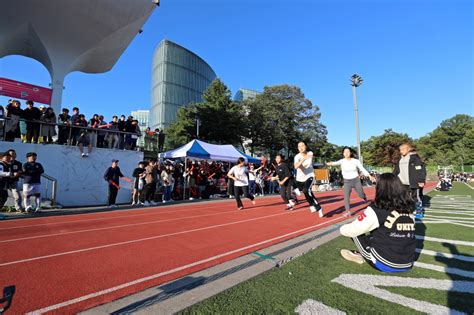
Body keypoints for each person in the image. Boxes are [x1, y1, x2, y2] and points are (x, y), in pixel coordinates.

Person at [339, 173, 416, 273]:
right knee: (388, 231)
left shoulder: (377, 209)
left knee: (354, 229)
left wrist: (342, 228)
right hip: (408, 262)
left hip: (384, 263)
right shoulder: (410, 208)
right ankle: (369, 249)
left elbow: (353, 230)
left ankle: (362, 254)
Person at [326, 146, 375, 217]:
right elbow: (334, 163)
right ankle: (348, 211)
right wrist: (327, 163)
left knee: (361, 194)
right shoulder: (342, 161)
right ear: (343, 153)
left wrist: (369, 176)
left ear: (350, 153)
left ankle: (364, 197)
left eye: (348, 151)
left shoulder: (356, 161)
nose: (346, 153)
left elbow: (362, 169)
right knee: (346, 197)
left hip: (356, 180)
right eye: (344, 152)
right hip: (346, 182)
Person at [393, 143, 426, 217]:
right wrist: (392, 178)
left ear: (408, 149)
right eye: (400, 150)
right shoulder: (400, 159)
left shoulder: (415, 158)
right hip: (402, 183)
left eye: (403, 149)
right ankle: (406, 210)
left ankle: (419, 211)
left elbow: (420, 169)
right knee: (403, 197)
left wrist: (421, 180)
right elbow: (396, 170)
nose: (401, 151)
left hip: (413, 182)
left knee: (416, 197)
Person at [294, 141, 323, 217]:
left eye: (302, 145)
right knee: (307, 193)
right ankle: (315, 206)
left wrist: (301, 163)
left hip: (309, 176)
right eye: (299, 146)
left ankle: (317, 208)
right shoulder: (297, 156)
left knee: (306, 190)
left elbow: (305, 164)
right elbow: (296, 166)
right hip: (300, 178)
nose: (301, 147)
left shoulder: (310, 153)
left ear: (306, 146)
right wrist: (303, 159)